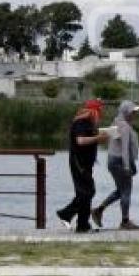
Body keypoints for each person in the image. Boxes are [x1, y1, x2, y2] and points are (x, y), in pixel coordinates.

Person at [57, 99, 108, 233]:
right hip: (78, 162)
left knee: (85, 192)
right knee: (87, 191)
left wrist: (100, 137)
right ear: (93, 111)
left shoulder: (89, 124)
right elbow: (80, 141)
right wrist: (98, 138)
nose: (100, 115)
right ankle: (66, 213)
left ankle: (83, 225)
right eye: (99, 111)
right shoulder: (81, 122)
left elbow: (88, 140)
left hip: (85, 163)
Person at [92, 100, 139, 230]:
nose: (135, 114)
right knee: (126, 191)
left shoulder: (116, 122)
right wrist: (127, 166)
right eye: (133, 112)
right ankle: (125, 221)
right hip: (120, 160)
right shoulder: (124, 127)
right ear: (126, 112)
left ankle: (99, 210)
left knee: (121, 190)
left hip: (112, 160)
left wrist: (131, 164)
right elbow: (125, 148)